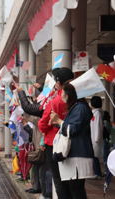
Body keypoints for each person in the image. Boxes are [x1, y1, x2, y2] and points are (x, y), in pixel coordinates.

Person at [49, 82, 95, 199]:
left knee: (76, 190)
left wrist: (58, 121)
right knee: (75, 189)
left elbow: (72, 130)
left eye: (63, 92)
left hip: (78, 155)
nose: (61, 94)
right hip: (75, 155)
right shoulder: (78, 107)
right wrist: (57, 123)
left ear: (69, 94)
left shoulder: (80, 108)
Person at [38, 67, 74, 199]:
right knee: (70, 180)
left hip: (54, 144)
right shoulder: (77, 99)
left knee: (58, 179)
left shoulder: (55, 101)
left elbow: (42, 124)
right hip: (72, 142)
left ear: (58, 82)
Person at [90, 96, 103, 177]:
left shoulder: (97, 113)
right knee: (94, 156)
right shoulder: (94, 113)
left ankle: (97, 173)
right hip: (93, 138)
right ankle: (97, 173)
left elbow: (98, 126)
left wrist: (97, 138)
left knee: (95, 157)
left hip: (95, 139)